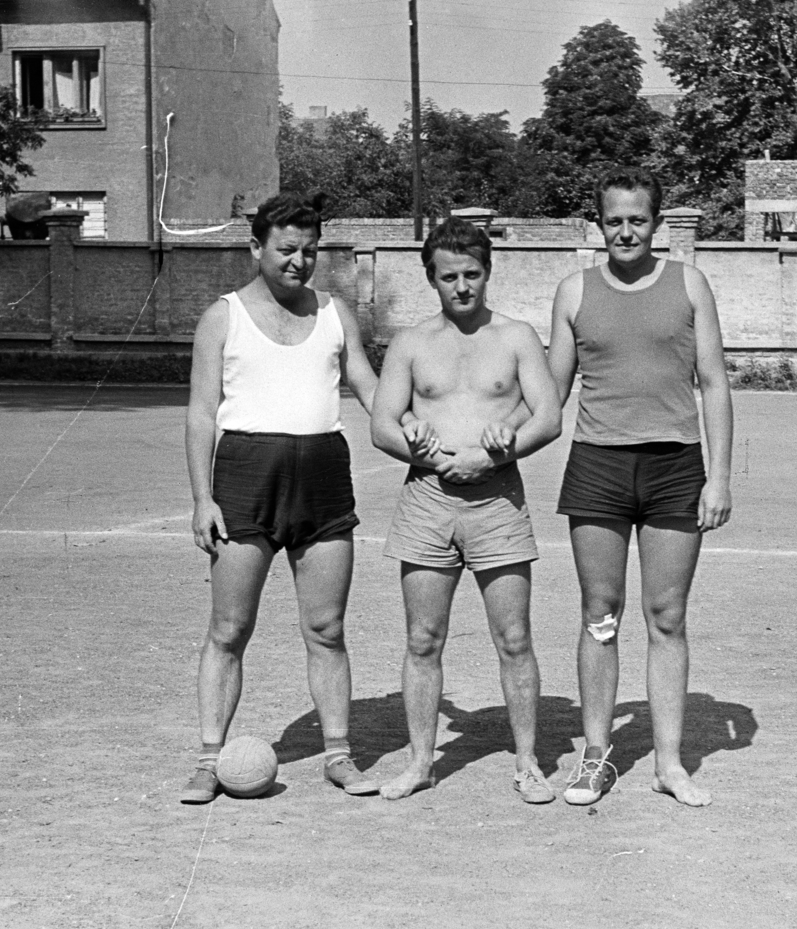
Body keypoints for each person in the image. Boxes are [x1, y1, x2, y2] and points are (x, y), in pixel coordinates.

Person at [180, 191, 381, 804]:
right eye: (287, 249)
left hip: (322, 479)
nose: (299, 261)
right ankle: (210, 758)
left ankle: (339, 755)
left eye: (310, 251)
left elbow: (371, 387)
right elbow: (199, 414)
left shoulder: (335, 312)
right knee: (229, 627)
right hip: (244, 478)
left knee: (326, 627)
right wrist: (201, 499)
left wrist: (421, 435)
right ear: (257, 247)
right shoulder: (223, 316)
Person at [546, 167, 733, 808]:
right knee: (600, 614)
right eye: (614, 220)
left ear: (657, 223)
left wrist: (719, 478)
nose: (625, 231)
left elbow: (713, 383)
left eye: (638, 219)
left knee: (667, 616)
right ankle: (595, 758)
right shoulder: (574, 292)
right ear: (599, 224)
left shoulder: (690, 284)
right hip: (598, 466)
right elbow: (550, 393)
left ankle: (670, 763)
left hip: (675, 467)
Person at [369, 217, 564, 802]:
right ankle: (421, 761)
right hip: (426, 501)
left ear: (488, 271)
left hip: (497, 500)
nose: (462, 286)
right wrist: (424, 454)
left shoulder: (517, 336)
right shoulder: (410, 342)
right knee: (423, 638)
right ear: (431, 278)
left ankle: (528, 763)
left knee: (513, 637)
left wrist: (490, 457)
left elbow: (548, 417)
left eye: (472, 274)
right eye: (449, 276)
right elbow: (382, 425)